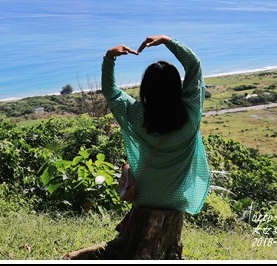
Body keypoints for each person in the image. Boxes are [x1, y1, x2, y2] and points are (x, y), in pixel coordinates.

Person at [63, 35, 211, 260]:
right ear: (176, 87)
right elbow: (195, 65)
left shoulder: (135, 115)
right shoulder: (190, 114)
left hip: (144, 198)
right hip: (177, 199)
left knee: (118, 248)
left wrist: (109, 58)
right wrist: (168, 41)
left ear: (146, 90)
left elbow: (111, 91)